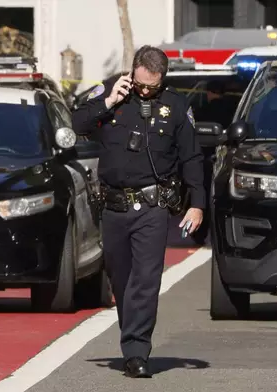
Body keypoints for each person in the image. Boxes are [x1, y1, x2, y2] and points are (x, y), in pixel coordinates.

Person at [72, 45, 205, 378]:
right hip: (114, 206)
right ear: (132, 72)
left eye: (152, 87)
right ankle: (131, 337)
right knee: (122, 280)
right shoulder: (111, 91)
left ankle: (136, 350)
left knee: (146, 281)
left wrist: (198, 204)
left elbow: (191, 157)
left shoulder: (176, 105)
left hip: (152, 207)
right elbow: (75, 123)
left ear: (163, 79)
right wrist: (107, 103)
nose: (145, 91)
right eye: (141, 85)